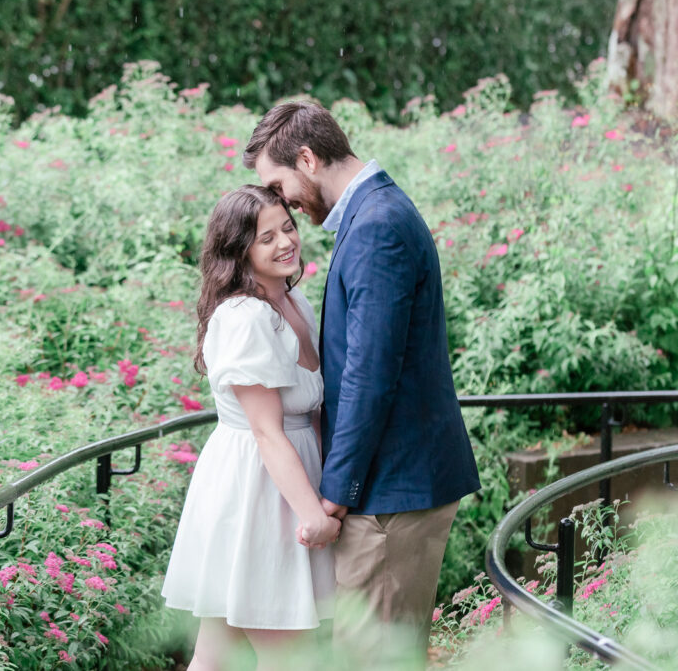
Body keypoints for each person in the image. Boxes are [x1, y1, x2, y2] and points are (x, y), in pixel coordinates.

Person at [243, 101, 481, 653]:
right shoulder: (375, 213)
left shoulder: (377, 226)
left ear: (307, 158)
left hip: (388, 495)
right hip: (389, 488)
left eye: (279, 184)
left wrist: (337, 493)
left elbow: (370, 378)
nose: (284, 203)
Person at [162, 185, 339, 670]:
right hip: (257, 490)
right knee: (289, 658)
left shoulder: (292, 302)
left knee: (215, 656)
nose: (286, 242)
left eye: (288, 227)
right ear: (239, 250)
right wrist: (315, 516)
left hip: (286, 478)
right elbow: (266, 431)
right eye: (267, 238)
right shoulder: (245, 318)